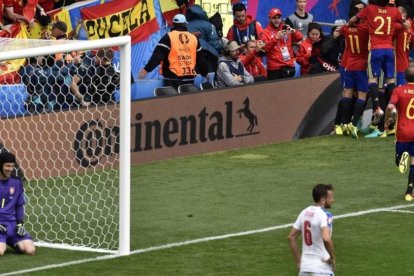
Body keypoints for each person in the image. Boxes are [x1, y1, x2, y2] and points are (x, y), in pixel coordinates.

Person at [348, 0, 407, 134]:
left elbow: (353, 18)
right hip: (389, 50)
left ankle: (377, 108)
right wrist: (398, 24)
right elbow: (406, 25)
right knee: (391, 81)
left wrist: (350, 23)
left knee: (372, 80)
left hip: (376, 50)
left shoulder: (370, 9)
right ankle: (392, 113)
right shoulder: (394, 11)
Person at [138, 14, 208, 89]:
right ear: (185, 24)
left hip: (172, 80)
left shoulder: (168, 37)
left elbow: (157, 57)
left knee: (172, 100)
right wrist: (205, 73)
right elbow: (201, 60)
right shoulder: (194, 38)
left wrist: (146, 70)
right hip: (189, 80)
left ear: (174, 24)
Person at [288, 184, 335, 275]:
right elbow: (326, 238)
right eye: (330, 198)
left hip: (304, 268)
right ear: (322, 200)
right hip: (321, 267)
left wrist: (298, 261)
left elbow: (291, 237)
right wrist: (333, 258)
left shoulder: (304, 212)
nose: (332, 200)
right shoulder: (324, 215)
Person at [385, 66, 414, 202]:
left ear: (405, 77)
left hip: (403, 131)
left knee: (400, 157)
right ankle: (409, 192)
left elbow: (391, 107)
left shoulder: (398, 90)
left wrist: (387, 122)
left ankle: (401, 156)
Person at [0, 152, 35, 256]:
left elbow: (19, 205)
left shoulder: (17, 182)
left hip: (12, 225)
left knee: (30, 251)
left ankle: (7, 241)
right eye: (7, 166)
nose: (10, 169)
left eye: (12, 166)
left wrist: (20, 223)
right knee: (0, 252)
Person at [260, 8, 303, 80]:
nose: (277, 20)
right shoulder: (265, 33)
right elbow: (265, 49)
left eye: (278, 18)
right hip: (275, 68)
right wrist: (275, 38)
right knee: (276, 91)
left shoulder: (285, 28)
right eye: (274, 18)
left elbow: (299, 38)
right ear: (269, 19)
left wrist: (294, 32)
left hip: (289, 65)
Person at [186, 4, 223, 73]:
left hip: (188, 57)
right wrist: (221, 44)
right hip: (205, 55)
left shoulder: (184, 26)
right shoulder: (208, 25)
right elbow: (215, 44)